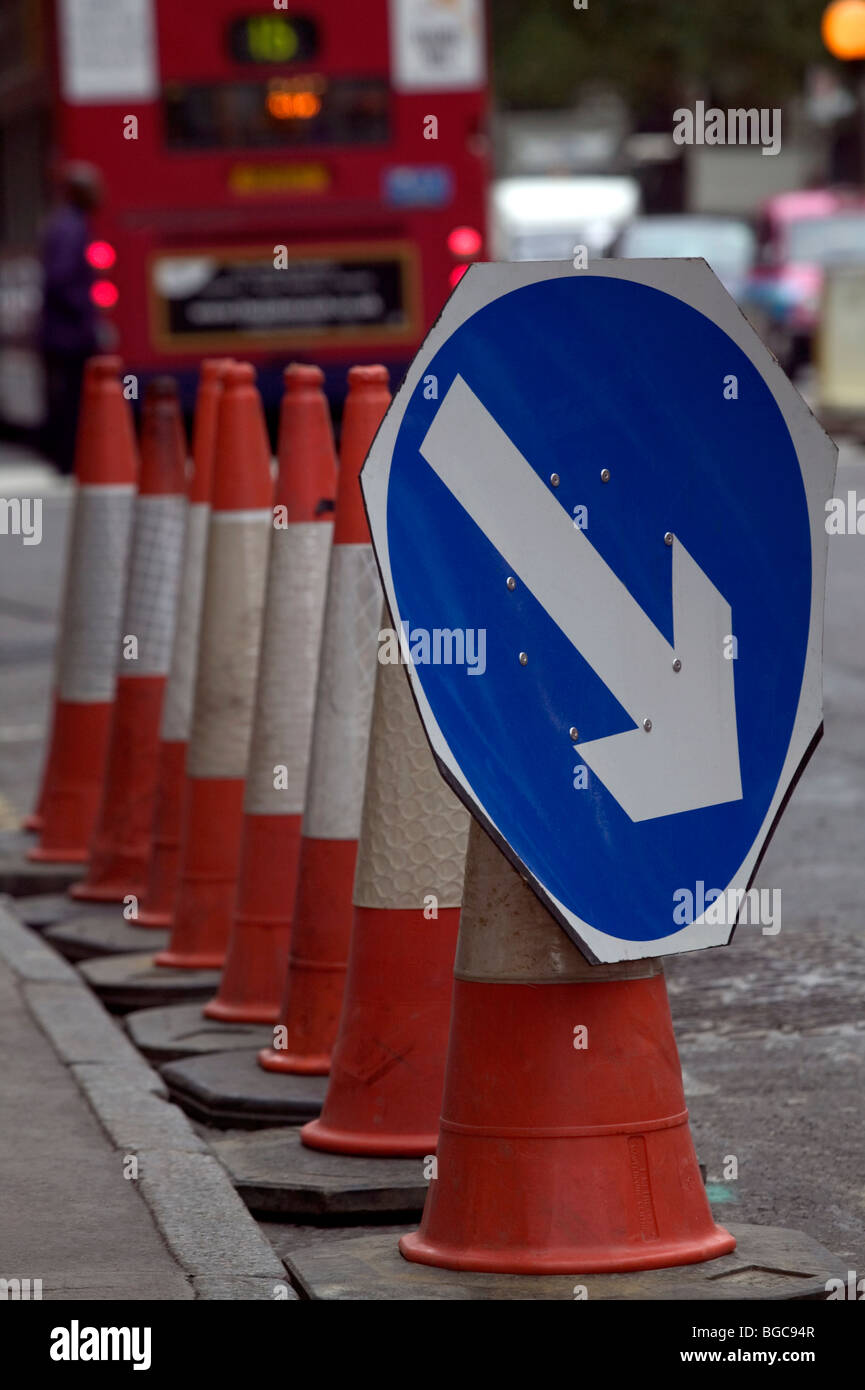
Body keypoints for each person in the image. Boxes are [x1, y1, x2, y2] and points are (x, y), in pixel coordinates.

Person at [39, 162, 103, 474]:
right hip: (69, 335)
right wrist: (86, 316)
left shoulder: (65, 223)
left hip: (61, 332)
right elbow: (61, 278)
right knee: (72, 399)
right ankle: (68, 459)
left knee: (66, 397)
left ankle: (65, 456)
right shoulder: (71, 227)